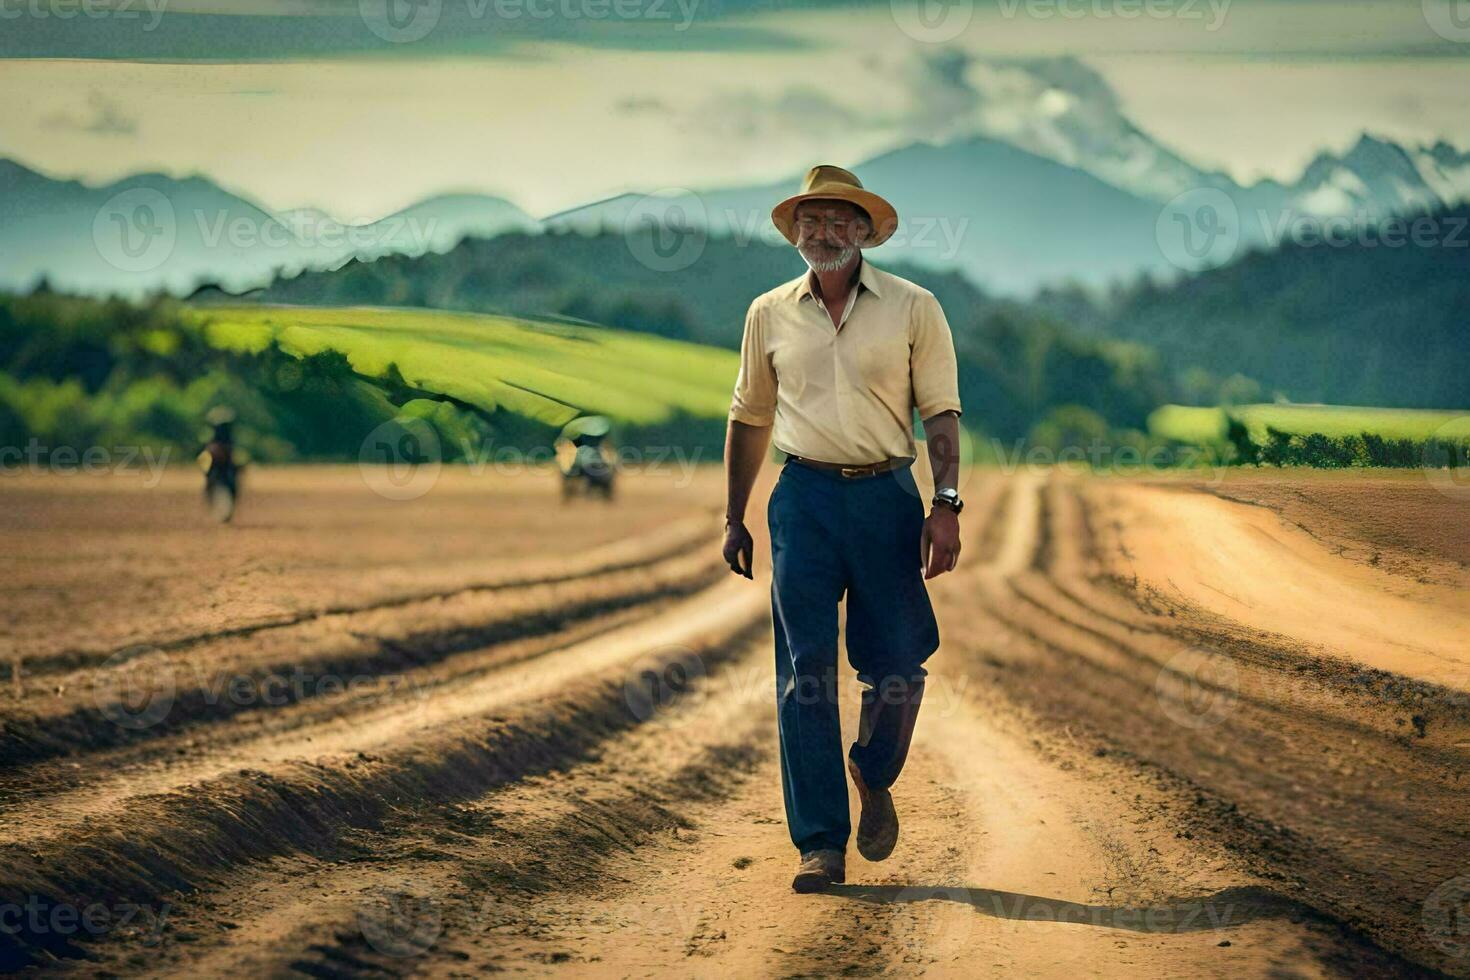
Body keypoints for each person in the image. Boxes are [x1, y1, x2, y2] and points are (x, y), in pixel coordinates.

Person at [722, 165, 964, 894]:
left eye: (836, 221)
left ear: (863, 231)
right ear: (795, 231)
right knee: (804, 673)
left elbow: (942, 416)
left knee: (898, 663)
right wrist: (733, 517)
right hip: (802, 499)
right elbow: (749, 416)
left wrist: (945, 504)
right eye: (809, 221)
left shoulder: (914, 307)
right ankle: (820, 843)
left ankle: (873, 768)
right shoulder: (767, 312)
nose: (821, 234)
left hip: (888, 495)